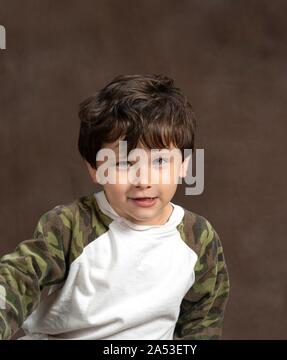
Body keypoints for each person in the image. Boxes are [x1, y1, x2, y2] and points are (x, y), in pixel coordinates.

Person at [0, 74, 230, 340]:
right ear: (96, 170)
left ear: (183, 166)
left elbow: (202, 322)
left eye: (159, 162)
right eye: (123, 164)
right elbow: (19, 278)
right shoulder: (70, 225)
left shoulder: (199, 239)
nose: (143, 181)